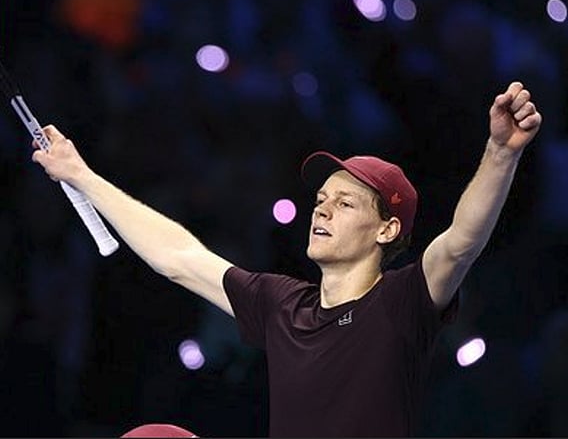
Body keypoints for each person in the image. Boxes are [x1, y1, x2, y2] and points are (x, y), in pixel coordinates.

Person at [32, 81, 541, 437]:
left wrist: (501, 154)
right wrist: (82, 175)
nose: (323, 209)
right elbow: (179, 256)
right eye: (320, 200)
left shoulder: (402, 302)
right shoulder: (282, 304)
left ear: (387, 230)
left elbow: (461, 241)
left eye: (345, 204)